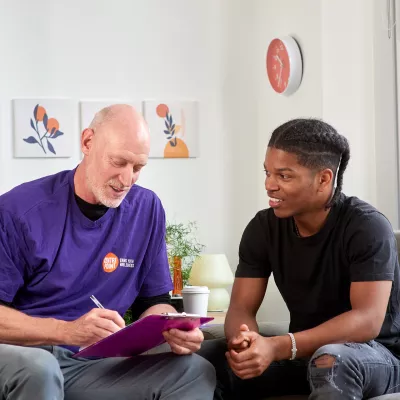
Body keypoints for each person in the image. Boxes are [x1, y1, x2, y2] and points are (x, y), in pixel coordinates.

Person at [0, 104, 216, 400]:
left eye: (138, 168)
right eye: (119, 162)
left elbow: (154, 301)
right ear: (88, 142)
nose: (127, 180)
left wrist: (172, 326)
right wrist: (67, 331)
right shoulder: (20, 211)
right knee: (40, 368)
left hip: (96, 364)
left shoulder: (147, 209)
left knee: (194, 371)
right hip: (28, 357)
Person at [223, 118, 400, 399]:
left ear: (323, 179)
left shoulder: (367, 226)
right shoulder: (263, 227)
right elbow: (241, 307)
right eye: (267, 172)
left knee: (330, 361)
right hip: (302, 354)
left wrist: (280, 346)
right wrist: (245, 343)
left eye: (284, 176)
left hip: (373, 356)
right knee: (215, 361)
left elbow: (367, 320)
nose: (269, 185)